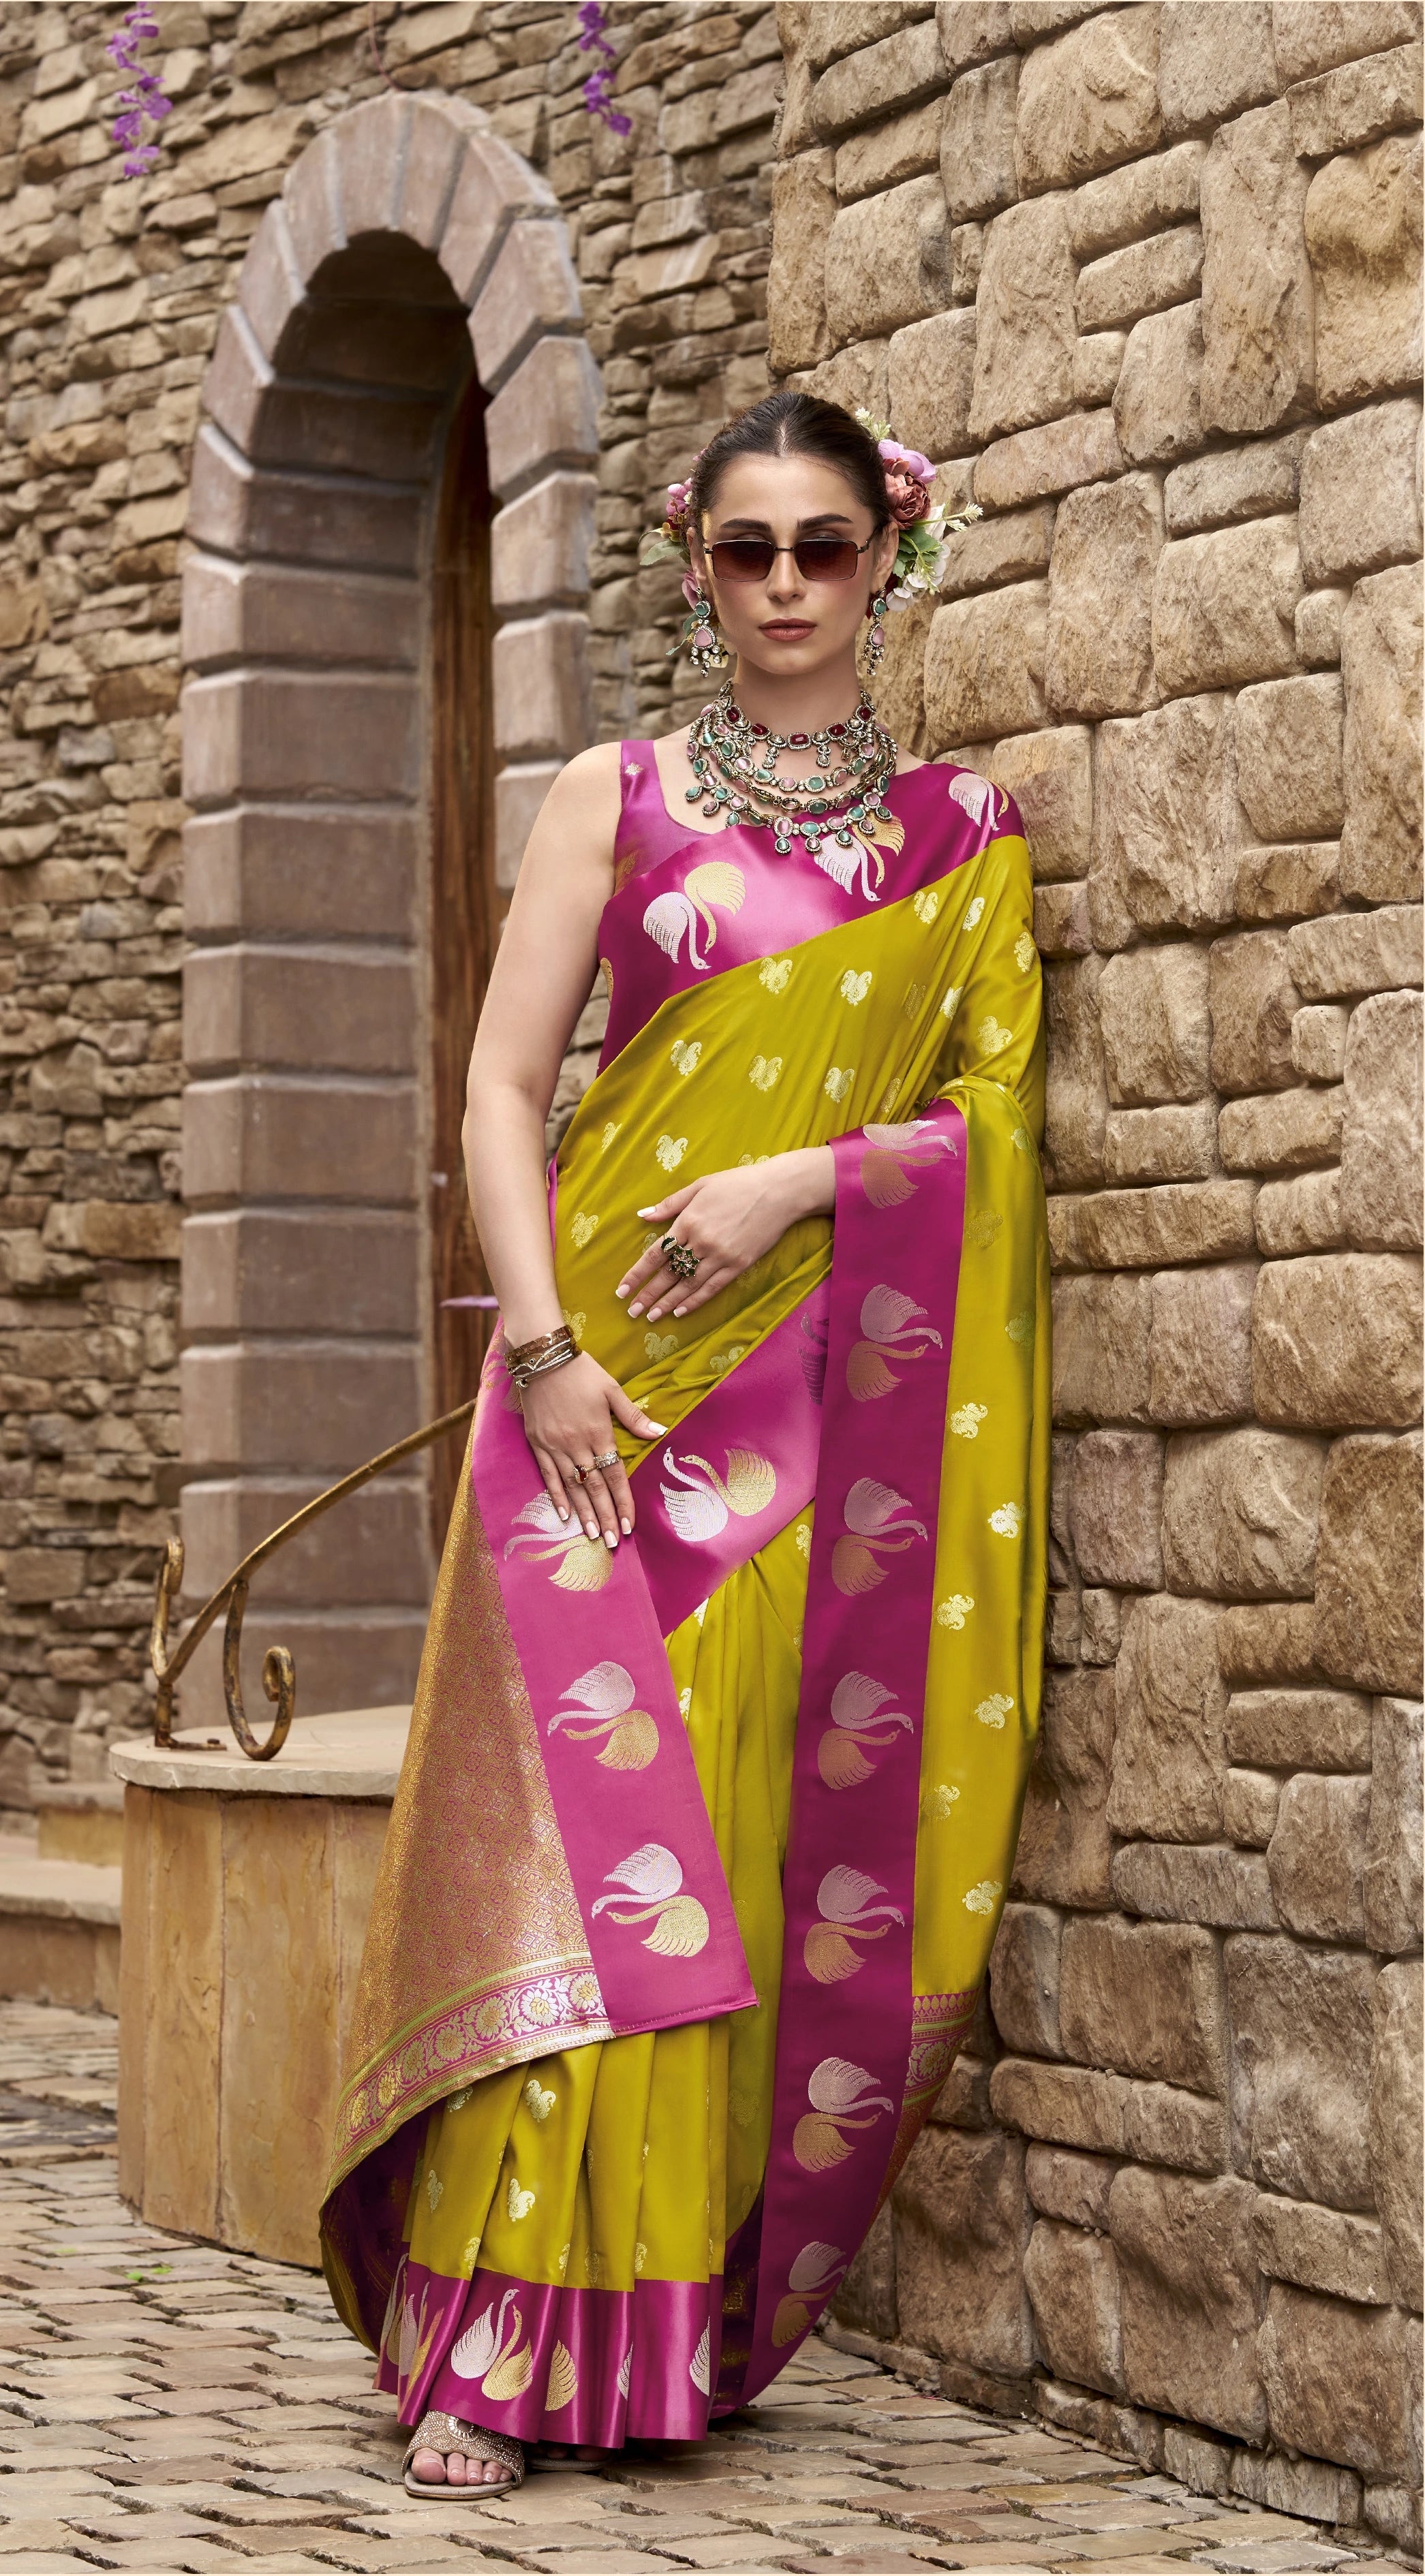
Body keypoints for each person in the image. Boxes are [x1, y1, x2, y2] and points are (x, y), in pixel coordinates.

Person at [319, 390, 1049, 2496]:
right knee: (575, 1863)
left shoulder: (959, 842)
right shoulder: (615, 798)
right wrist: (538, 1351)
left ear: (885, 559)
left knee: (710, 1870)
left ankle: (642, 2335)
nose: (792, 589)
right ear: (697, 562)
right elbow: (492, 1092)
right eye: (751, 552)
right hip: (594, 1408)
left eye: (829, 547)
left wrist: (807, 1179)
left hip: (816, 1413)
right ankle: (488, 2340)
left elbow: (997, 1132)